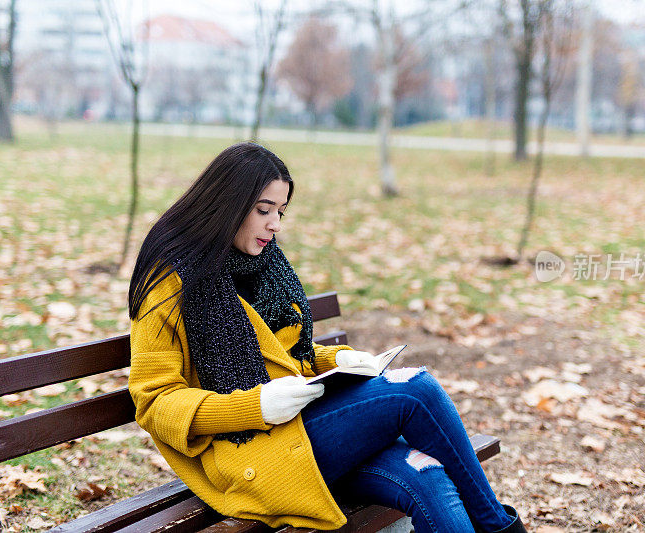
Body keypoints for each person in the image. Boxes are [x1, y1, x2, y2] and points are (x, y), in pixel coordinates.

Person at [127, 142, 526, 533]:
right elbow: (154, 401)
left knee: (429, 477)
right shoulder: (172, 279)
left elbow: (286, 354)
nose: (275, 225)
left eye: (280, 212)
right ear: (226, 205)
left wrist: (340, 362)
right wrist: (257, 406)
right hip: (250, 449)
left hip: (305, 432)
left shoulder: (263, 264)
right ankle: (498, 527)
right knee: (413, 389)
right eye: (264, 210)